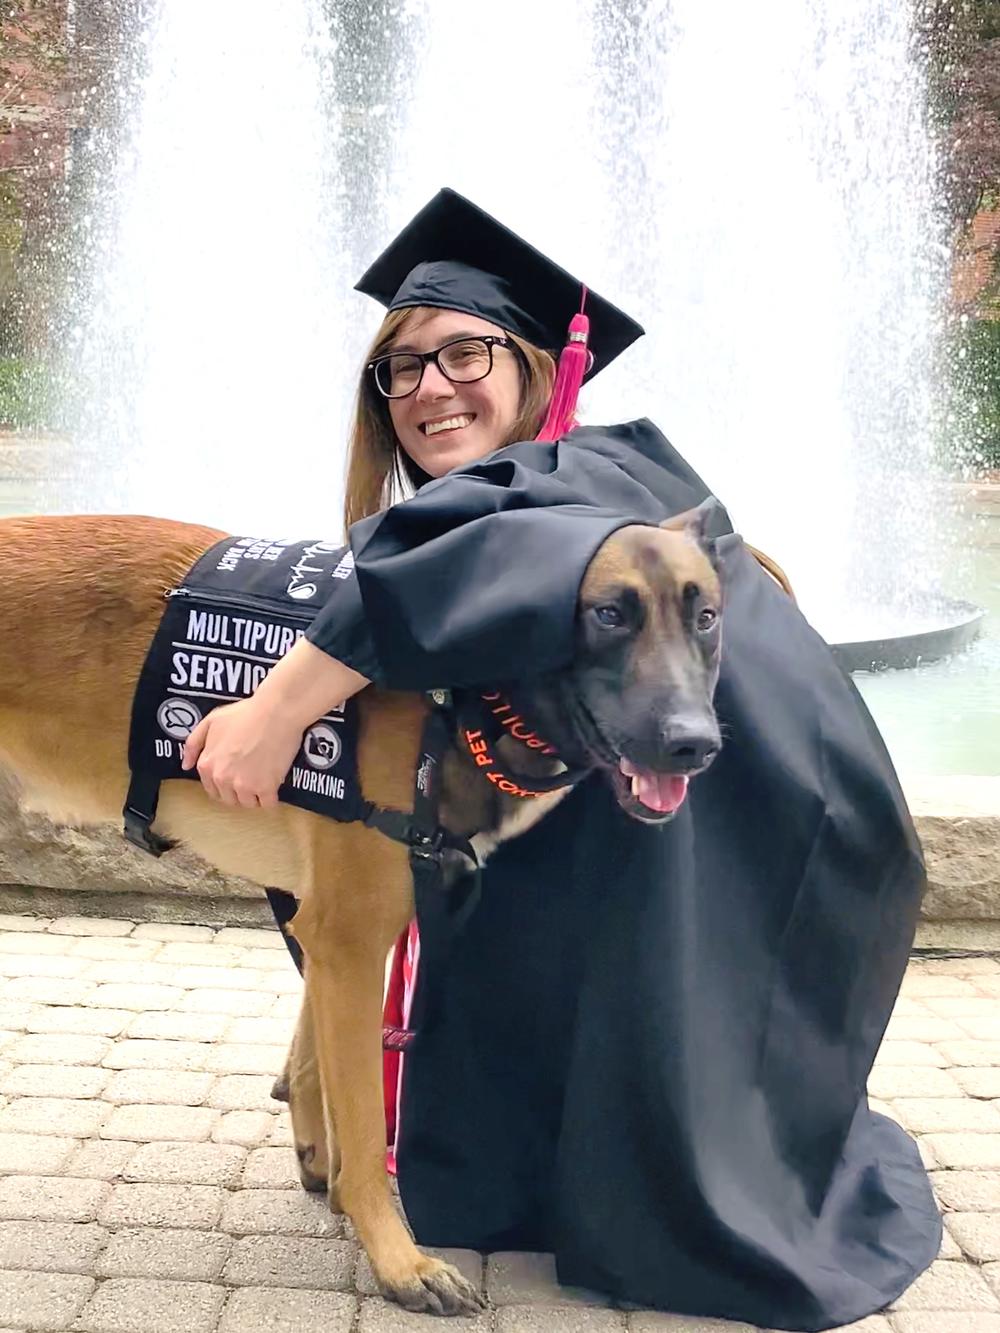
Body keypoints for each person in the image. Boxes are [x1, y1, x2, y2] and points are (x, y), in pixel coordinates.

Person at [182, 188, 940, 1332]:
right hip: (738, 851)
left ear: (541, 365)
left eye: (463, 352)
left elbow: (479, 557)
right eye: (399, 370)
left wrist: (274, 709)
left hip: (741, 852)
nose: (428, 388)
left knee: (678, 1173)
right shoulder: (599, 487)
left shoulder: (586, 475)